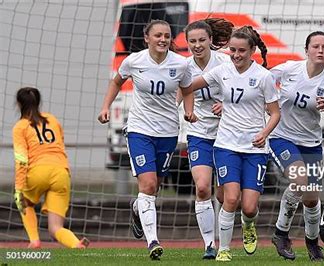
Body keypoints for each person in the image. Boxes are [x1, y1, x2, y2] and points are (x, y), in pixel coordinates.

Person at [97, 19, 196, 260]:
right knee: (148, 185)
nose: (163, 39)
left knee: (155, 187)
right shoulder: (134, 61)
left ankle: (136, 209)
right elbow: (116, 81)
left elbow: (188, 88)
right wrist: (106, 107)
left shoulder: (181, 64)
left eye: (167, 35)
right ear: (147, 38)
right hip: (140, 130)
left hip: (168, 132)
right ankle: (153, 241)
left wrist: (188, 110)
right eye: (158, 35)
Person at [187, 25, 280, 261]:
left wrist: (264, 133)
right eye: (232, 51)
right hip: (226, 144)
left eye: (241, 51)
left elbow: (275, 113)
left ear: (252, 51)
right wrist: (179, 106)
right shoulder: (222, 71)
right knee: (229, 198)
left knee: (248, 207)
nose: (236, 56)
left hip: (255, 148)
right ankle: (224, 249)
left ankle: (248, 226)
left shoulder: (263, 77)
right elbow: (188, 86)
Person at [270, 31, 324, 261]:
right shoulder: (289, 69)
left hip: (311, 143)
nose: (320, 50)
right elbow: (263, 86)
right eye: (316, 46)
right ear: (307, 50)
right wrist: (270, 109)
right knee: (299, 180)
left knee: (311, 199)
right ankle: (281, 233)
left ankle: (312, 244)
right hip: (281, 136)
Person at [13, 87, 89, 249]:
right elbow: (60, 144)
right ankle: (76, 243)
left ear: (19, 104)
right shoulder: (52, 120)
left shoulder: (20, 127)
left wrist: (18, 188)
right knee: (55, 228)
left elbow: (21, 160)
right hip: (61, 172)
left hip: (38, 172)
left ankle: (34, 240)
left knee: (24, 202)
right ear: (38, 102)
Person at [183, 18, 233, 260]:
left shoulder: (225, 63)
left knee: (225, 196)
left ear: (211, 40)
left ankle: (227, 240)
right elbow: (180, 94)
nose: (197, 45)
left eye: (202, 40)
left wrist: (226, 105)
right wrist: (185, 112)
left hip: (228, 135)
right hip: (199, 134)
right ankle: (208, 245)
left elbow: (241, 93)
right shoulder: (184, 68)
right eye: (192, 41)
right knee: (202, 187)